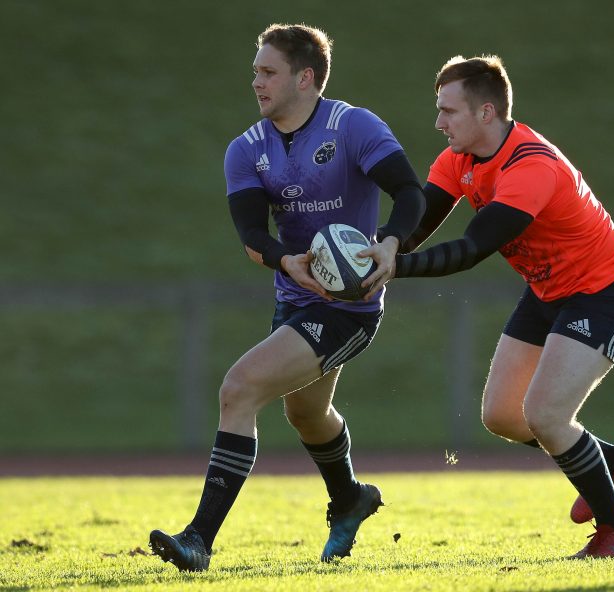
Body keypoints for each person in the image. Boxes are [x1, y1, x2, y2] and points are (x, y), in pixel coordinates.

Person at [149, 24, 425, 571]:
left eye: (268, 71)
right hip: (295, 297)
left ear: (306, 77)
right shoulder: (246, 150)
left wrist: (393, 243)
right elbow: (252, 236)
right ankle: (350, 498)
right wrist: (285, 261)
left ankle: (199, 540)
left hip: (351, 305)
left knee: (239, 388)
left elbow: (409, 192)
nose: (256, 81)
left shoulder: (354, 127)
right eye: (256, 71)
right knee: (307, 414)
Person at [371, 55, 614, 559]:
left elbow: (472, 249)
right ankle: (604, 460)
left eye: (448, 111)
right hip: (548, 289)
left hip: (607, 288)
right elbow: (419, 221)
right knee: (502, 415)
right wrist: (380, 248)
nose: (438, 122)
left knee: (545, 414)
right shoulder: (458, 157)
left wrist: (393, 269)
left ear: (486, 112)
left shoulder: (531, 166)